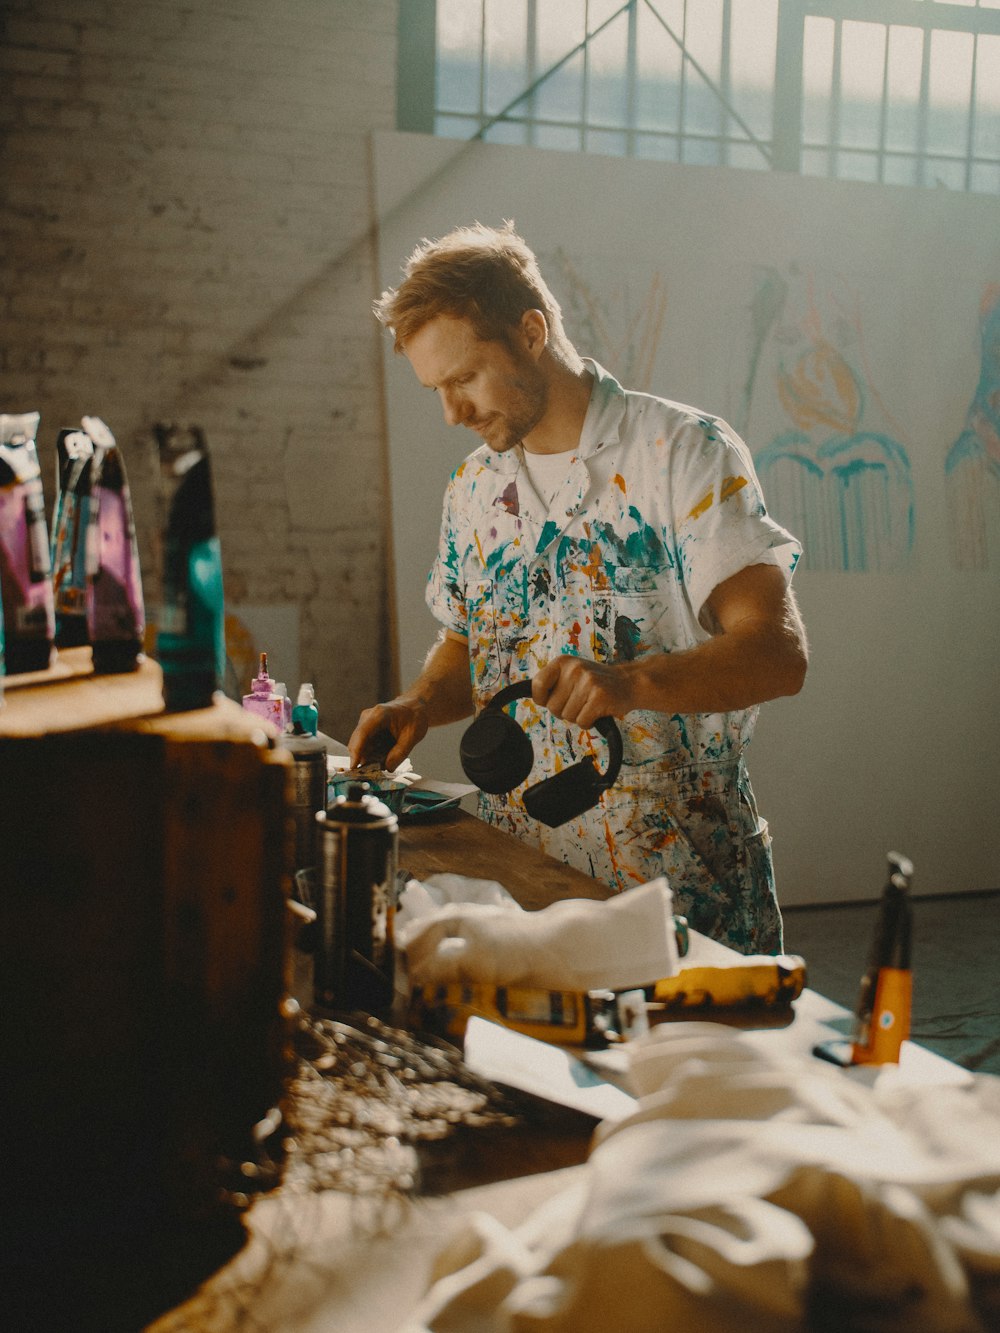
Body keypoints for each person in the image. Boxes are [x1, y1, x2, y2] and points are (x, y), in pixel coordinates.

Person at [349, 221, 808, 953]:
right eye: (436, 389)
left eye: (464, 378)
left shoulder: (683, 452)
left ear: (531, 331)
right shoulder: (473, 488)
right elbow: (472, 643)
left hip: (678, 894)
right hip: (519, 881)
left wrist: (628, 682)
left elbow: (776, 655)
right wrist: (420, 703)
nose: (452, 412)